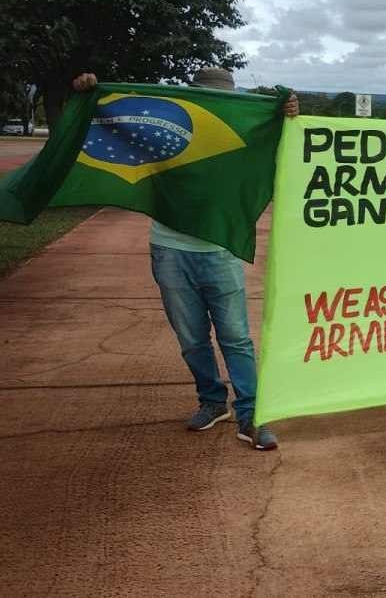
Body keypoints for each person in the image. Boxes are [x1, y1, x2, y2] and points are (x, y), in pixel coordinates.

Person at [71, 69, 299, 449]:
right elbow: (113, 123)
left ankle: (251, 414)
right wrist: (88, 94)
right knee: (192, 339)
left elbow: (283, 147)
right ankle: (212, 402)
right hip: (169, 249)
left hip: (219, 252)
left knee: (236, 338)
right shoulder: (166, 135)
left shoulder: (244, 138)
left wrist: (289, 110)